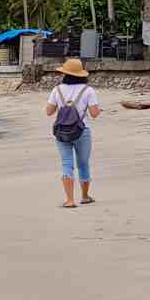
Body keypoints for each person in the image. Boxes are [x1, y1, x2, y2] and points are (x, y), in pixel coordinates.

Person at [45, 58, 101, 208]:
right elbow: (95, 114)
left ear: (65, 74)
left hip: (61, 131)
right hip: (82, 131)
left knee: (66, 164)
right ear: (82, 74)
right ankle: (84, 196)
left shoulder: (57, 90)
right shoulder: (88, 90)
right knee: (83, 164)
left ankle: (69, 200)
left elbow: (49, 112)